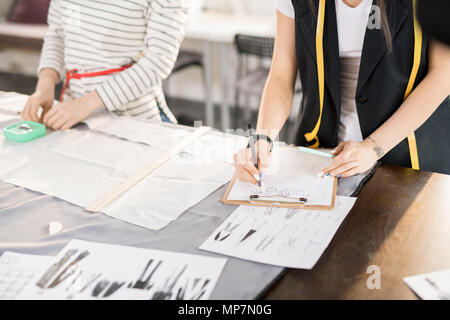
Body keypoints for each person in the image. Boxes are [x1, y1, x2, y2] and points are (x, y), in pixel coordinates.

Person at [234, 0, 450, 185]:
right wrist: (262, 138)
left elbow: (442, 77)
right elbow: (281, 75)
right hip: (323, 155)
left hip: (406, 157)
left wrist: (373, 147)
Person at [21, 0, 189, 129]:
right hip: (74, 112)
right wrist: (45, 84)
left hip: (134, 117)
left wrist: (86, 104)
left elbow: (158, 61)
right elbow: (57, 34)